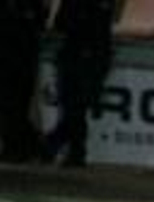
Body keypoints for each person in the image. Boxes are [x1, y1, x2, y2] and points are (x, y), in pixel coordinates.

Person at [42, 0, 114, 167]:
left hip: (80, 53)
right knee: (76, 108)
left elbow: (63, 22)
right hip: (91, 54)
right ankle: (71, 150)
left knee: (74, 106)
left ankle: (56, 145)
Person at [0, 0, 47, 163]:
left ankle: (19, 148)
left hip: (21, 62)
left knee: (16, 108)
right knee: (12, 108)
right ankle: (19, 147)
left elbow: (41, 23)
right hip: (14, 61)